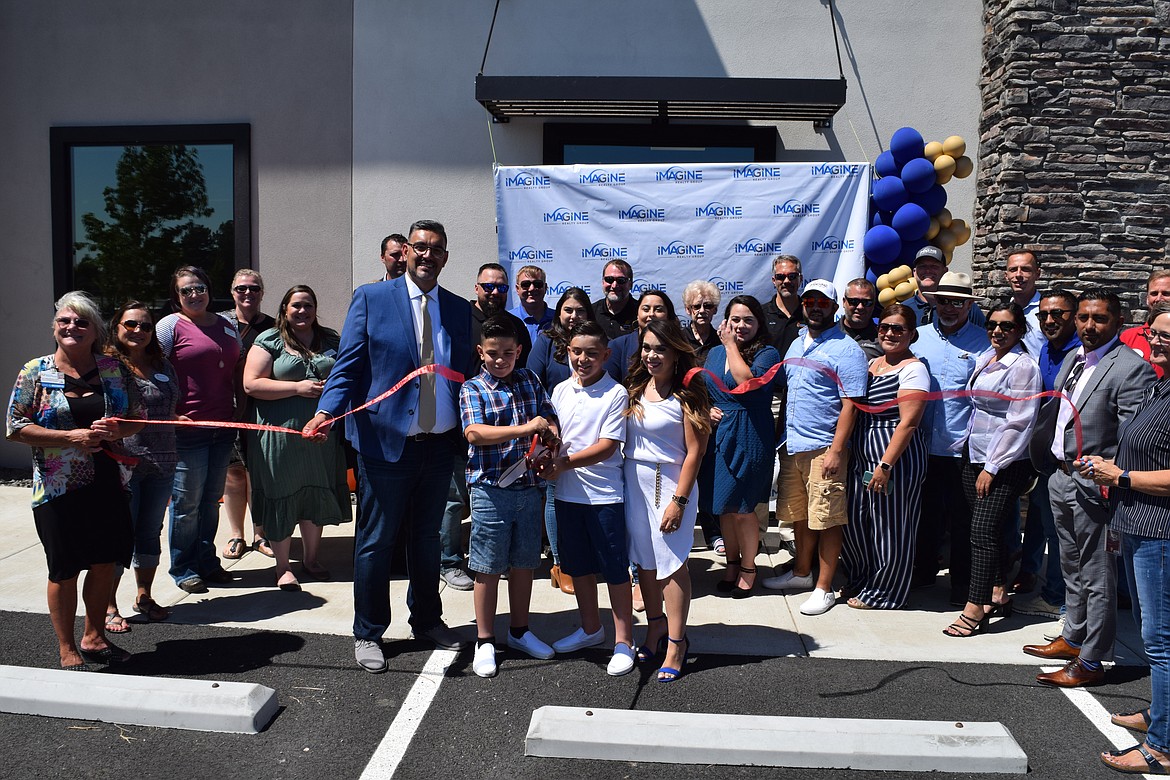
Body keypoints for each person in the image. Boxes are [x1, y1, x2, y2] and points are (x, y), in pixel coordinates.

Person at [304, 219, 474, 673]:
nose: (426, 255)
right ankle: (369, 631)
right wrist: (326, 412)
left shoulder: (459, 310)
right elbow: (348, 366)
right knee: (376, 542)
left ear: (445, 257)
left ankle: (427, 620)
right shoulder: (371, 298)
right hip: (383, 445)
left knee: (427, 540)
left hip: (439, 446)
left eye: (436, 249)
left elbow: (469, 377)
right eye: (419, 247)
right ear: (404, 253)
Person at [1024, 289, 1156, 687]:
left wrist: (1111, 475)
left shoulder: (1131, 368)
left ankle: (1093, 660)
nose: (1088, 326)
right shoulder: (1074, 357)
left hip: (1096, 486)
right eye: (1083, 318)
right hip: (1061, 477)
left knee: (1098, 573)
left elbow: (1136, 435)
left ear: (1119, 321)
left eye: (1099, 319)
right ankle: (1073, 636)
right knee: (1070, 565)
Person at [6, 291, 144, 669]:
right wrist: (71, 437)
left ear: (95, 330)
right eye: (65, 321)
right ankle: (66, 647)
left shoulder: (114, 370)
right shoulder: (35, 371)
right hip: (58, 488)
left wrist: (117, 429)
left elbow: (138, 417)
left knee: (104, 562)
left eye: (82, 322)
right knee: (64, 567)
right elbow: (15, 427)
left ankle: (94, 634)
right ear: (54, 328)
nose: (73, 327)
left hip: (108, 482)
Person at [1074, 302, 1170, 774]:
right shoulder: (1160, 386)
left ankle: (1162, 747)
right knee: (1159, 638)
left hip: (1162, 533)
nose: (1155, 340)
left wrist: (1122, 476)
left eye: (1165, 335)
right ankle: (1162, 716)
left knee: (1160, 641)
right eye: (1152, 333)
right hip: (1139, 526)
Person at [460, 317, 559, 678]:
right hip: (489, 489)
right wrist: (526, 428)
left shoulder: (530, 379)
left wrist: (551, 444)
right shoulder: (473, 388)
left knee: (524, 563)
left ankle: (520, 631)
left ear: (519, 351)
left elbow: (548, 417)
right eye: (492, 354)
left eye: (507, 353)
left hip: (529, 486)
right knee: (487, 567)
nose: (500, 360)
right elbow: (474, 433)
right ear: (481, 353)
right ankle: (485, 640)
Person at [763, 280, 867, 616]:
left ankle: (824, 587)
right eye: (809, 301)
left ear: (835, 308)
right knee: (801, 516)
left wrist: (837, 450)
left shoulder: (848, 350)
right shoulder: (794, 345)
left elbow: (851, 405)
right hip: (793, 445)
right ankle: (801, 574)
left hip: (825, 447)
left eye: (822, 302)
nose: (815, 307)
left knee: (828, 519)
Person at [943, 302, 1041, 637]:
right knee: (990, 529)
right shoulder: (987, 358)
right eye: (992, 325)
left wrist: (993, 466)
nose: (997, 331)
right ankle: (998, 590)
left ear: (1020, 330)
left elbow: (1020, 421)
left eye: (1007, 326)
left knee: (982, 532)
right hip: (974, 453)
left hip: (1006, 461)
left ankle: (976, 607)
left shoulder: (1024, 366)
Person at [542, 321, 635, 676]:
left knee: (614, 569)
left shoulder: (616, 394)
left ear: (606, 356)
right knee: (577, 566)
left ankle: (624, 640)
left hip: (604, 496)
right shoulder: (561, 389)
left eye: (592, 353)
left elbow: (607, 447)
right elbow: (555, 432)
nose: (583, 359)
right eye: (577, 351)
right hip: (566, 494)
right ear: (568, 351)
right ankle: (590, 628)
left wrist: (561, 463)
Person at [243, 285, 350, 591]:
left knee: (315, 491)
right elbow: (251, 385)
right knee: (281, 494)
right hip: (280, 437)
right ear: (285, 310)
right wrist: (297, 388)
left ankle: (311, 558)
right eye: (296, 306)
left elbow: (346, 376)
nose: (302, 311)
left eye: (308, 305)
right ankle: (282, 567)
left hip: (321, 436)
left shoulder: (330, 339)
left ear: (315, 308)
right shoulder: (269, 340)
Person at [624, 320, 711, 682]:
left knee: (671, 564)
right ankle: (655, 627)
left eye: (660, 348)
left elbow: (696, 451)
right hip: (635, 483)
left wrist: (679, 500)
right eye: (646, 347)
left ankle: (677, 643)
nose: (651, 355)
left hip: (670, 484)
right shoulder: (637, 388)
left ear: (676, 352)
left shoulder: (687, 393)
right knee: (645, 563)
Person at [442, 263, 533, 592]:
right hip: (455, 424)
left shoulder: (515, 326)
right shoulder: (457, 318)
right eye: (488, 286)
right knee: (454, 501)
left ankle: (498, 560)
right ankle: (449, 562)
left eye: (501, 287)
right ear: (476, 287)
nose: (495, 292)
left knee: (499, 501)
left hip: (502, 437)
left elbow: (518, 375)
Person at [157, 266, 242, 593]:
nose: (194, 295)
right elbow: (152, 369)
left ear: (209, 289)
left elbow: (238, 367)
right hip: (188, 430)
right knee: (186, 503)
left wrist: (241, 408)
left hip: (223, 427)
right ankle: (184, 567)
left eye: (199, 288)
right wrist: (169, 413)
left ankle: (207, 561)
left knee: (210, 500)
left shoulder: (227, 325)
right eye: (186, 291)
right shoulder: (170, 326)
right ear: (176, 297)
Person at [841, 304, 928, 610]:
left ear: (911, 334)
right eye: (884, 328)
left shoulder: (914, 368)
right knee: (857, 522)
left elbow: (909, 422)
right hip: (862, 456)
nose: (890, 333)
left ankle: (886, 591)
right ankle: (862, 578)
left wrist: (885, 465)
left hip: (894, 459)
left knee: (890, 527)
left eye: (898, 329)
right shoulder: (873, 363)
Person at [909, 271, 990, 601]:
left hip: (962, 448)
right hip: (922, 445)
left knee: (963, 521)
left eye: (958, 302)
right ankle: (922, 572)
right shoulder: (918, 337)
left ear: (968, 305)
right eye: (944, 301)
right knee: (922, 515)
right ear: (934, 302)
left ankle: (961, 585)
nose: (950, 308)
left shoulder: (984, 342)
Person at [104, 301, 180, 629]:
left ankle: (144, 595)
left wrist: (176, 418)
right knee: (120, 535)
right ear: (117, 327)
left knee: (150, 533)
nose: (139, 331)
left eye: (146, 326)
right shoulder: (107, 366)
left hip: (162, 462)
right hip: (124, 463)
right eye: (131, 324)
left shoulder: (162, 363)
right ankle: (107, 605)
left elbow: (165, 406)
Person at [702, 295, 781, 599]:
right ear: (726, 321)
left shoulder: (767, 352)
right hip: (720, 435)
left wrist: (731, 346)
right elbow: (703, 389)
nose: (741, 325)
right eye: (735, 319)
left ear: (759, 323)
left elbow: (745, 381)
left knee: (745, 509)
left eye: (748, 319)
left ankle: (749, 568)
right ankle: (731, 564)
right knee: (725, 506)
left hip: (751, 434)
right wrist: (707, 407)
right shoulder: (713, 354)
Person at [1016, 289, 1080, 617]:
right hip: (1043, 455)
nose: (1050, 320)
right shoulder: (1045, 350)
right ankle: (1037, 580)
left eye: (1059, 314)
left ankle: (1056, 597)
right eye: (1043, 315)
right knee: (1041, 520)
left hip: (1066, 459)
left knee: (1059, 530)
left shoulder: (1081, 355)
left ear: (1075, 315)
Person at [527, 287, 595, 595]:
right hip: (556, 428)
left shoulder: (595, 340)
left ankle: (584, 557)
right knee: (554, 495)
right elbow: (532, 381)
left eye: (579, 310)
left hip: (590, 427)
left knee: (586, 492)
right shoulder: (546, 341)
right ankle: (560, 562)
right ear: (559, 312)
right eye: (568, 310)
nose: (573, 316)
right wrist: (546, 424)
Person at [219, 269, 277, 562]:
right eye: (241, 288)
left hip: (261, 409)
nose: (247, 293)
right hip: (226, 407)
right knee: (233, 473)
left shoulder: (273, 326)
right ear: (232, 292)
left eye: (254, 288)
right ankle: (236, 534)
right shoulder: (219, 324)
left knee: (259, 472)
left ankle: (260, 533)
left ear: (261, 293)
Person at [682, 279, 724, 553]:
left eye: (708, 306)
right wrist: (700, 409)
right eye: (696, 306)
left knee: (709, 479)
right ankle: (683, 530)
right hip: (685, 416)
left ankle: (713, 532)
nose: (702, 311)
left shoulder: (722, 341)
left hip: (716, 421)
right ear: (687, 310)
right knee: (684, 475)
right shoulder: (679, 340)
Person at [903, 246, 987, 327]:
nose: (928, 270)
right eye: (922, 266)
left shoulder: (967, 308)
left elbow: (983, 337)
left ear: (945, 271)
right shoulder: (904, 309)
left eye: (934, 266)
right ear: (914, 272)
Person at [606, 290, 677, 382]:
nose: (651, 314)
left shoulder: (677, 346)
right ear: (637, 314)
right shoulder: (617, 346)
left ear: (668, 316)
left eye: (658, 310)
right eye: (646, 309)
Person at [1119, 269, 1170, 379]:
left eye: (1166, 293)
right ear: (1147, 299)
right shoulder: (1128, 337)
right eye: (1154, 293)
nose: (1159, 299)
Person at [1004, 249, 1044, 355]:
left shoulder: (1046, 311)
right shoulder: (1003, 312)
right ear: (1006, 275)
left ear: (1038, 274)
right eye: (1013, 270)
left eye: (1025, 269)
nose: (1018, 275)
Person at [592, 259, 638, 339]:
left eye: (621, 280)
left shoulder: (641, 313)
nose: (614, 285)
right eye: (609, 279)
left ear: (630, 284)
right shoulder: (591, 313)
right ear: (603, 282)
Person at [508, 264, 554, 340]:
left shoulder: (558, 319)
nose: (532, 288)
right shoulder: (508, 320)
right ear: (517, 289)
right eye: (525, 284)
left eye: (537, 284)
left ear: (545, 288)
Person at [839, 278, 882, 359]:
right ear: (844, 302)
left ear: (873, 304)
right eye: (854, 301)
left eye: (867, 302)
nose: (860, 307)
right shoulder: (827, 333)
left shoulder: (882, 338)